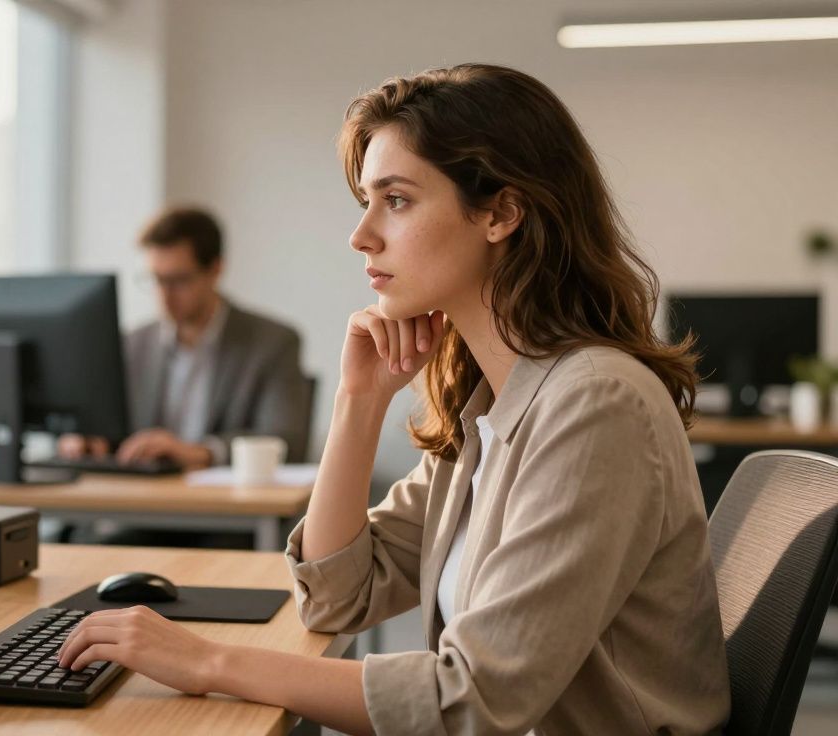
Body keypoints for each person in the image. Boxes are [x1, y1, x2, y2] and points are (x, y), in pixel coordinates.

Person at [55, 63, 730, 735]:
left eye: (397, 200)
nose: (362, 235)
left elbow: (471, 701)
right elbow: (336, 596)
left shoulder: (594, 406)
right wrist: (359, 402)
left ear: (500, 212)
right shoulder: (490, 406)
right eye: (365, 203)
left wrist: (207, 662)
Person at [60, 206, 311, 468]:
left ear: (215, 270)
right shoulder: (133, 344)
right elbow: (115, 431)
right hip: (144, 497)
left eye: (178, 280)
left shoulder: (272, 343)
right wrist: (91, 441)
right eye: (156, 280)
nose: (164, 296)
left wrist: (199, 452)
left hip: (228, 502)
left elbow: (286, 440)